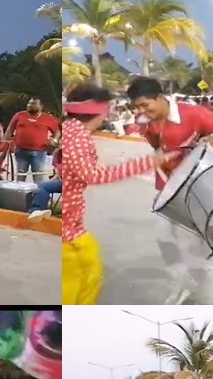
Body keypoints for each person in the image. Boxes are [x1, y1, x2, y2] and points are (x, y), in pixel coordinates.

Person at [128, 76, 213, 304]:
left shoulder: (193, 114)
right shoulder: (145, 122)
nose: (141, 110)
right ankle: (183, 284)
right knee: (164, 238)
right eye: (136, 107)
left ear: (160, 97)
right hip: (168, 190)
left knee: (200, 247)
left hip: (199, 190)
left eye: (145, 104)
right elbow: (157, 145)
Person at [60, 82, 160, 304]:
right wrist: (146, 163)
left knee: (90, 272)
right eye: (106, 110)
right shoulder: (78, 136)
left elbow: (86, 169)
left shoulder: (72, 131)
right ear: (97, 111)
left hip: (73, 225)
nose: (107, 116)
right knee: (78, 281)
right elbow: (92, 175)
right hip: (68, 231)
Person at [7, 98, 59, 180]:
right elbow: (10, 128)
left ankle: (38, 192)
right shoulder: (19, 115)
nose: (30, 105)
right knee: (20, 174)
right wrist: (5, 141)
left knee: (38, 175)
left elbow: (57, 132)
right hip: (20, 151)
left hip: (39, 152)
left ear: (41, 106)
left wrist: (55, 140)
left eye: (34, 103)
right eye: (29, 103)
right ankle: (20, 192)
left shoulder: (47, 118)